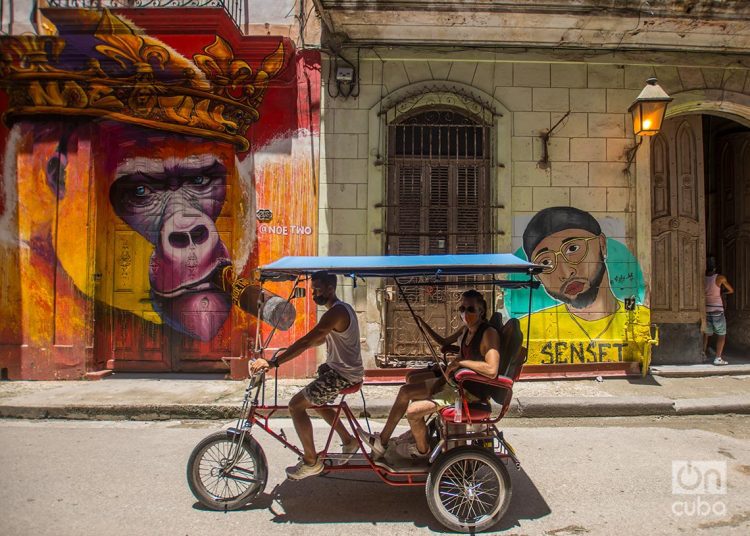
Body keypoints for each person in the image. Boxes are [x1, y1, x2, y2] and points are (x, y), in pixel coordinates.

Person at [359, 290, 500, 460]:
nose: (465, 313)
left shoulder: (488, 334)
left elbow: (492, 370)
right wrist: (441, 379)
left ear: (481, 311)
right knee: (406, 391)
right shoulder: (468, 330)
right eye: (462, 308)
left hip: (468, 392)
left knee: (412, 412)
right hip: (456, 384)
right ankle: (382, 441)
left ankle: (422, 450)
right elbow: (445, 343)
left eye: (470, 309)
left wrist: (460, 363)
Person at [250, 271, 364, 479]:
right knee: (317, 403)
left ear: (331, 288)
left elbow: (306, 341)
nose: (313, 293)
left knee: (296, 406)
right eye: (312, 289)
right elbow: (319, 339)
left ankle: (311, 462)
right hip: (339, 371)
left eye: (317, 289)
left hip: (342, 374)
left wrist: (273, 362)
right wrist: (289, 349)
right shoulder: (340, 310)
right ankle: (349, 440)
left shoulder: (335, 312)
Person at [520, 206, 650, 365]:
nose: (566, 273)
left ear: (602, 244)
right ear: (538, 275)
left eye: (573, 248)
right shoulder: (528, 327)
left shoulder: (644, 319)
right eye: (545, 262)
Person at [703, 257, 734, 366]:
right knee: (722, 334)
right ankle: (718, 358)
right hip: (717, 310)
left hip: (706, 309)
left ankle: (703, 353)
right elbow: (731, 290)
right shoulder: (720, 278)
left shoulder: (702, 278)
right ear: (715, 267)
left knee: (706, 334)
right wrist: (722, 293)